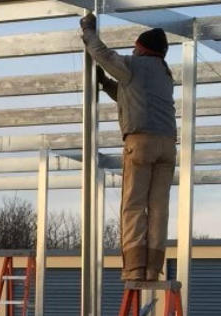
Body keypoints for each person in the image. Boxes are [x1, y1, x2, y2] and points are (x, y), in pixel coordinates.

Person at [80, 13, 177, 281]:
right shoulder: (164, 73)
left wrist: (88, 32)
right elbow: (131, 95)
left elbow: (103, 54)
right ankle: (152, 268)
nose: (132, 50)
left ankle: (134, 268)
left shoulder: (135, 64)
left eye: (135, 47)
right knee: (158, 208)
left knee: (133, 205)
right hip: (167, 146)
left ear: (142, 48)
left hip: (141, 143)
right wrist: (105, 83)